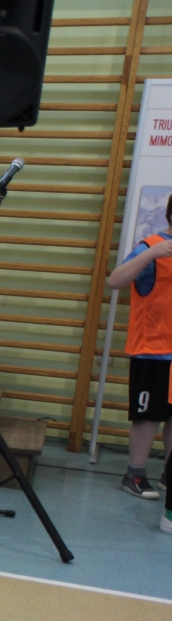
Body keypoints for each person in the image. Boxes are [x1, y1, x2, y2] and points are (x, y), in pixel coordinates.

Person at [106, 195, 172, 509]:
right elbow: (115, 280)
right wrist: (150, 254)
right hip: (153, 351)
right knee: (148, 417)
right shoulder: (151, 247)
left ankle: (169, 474)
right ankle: (134, 474)